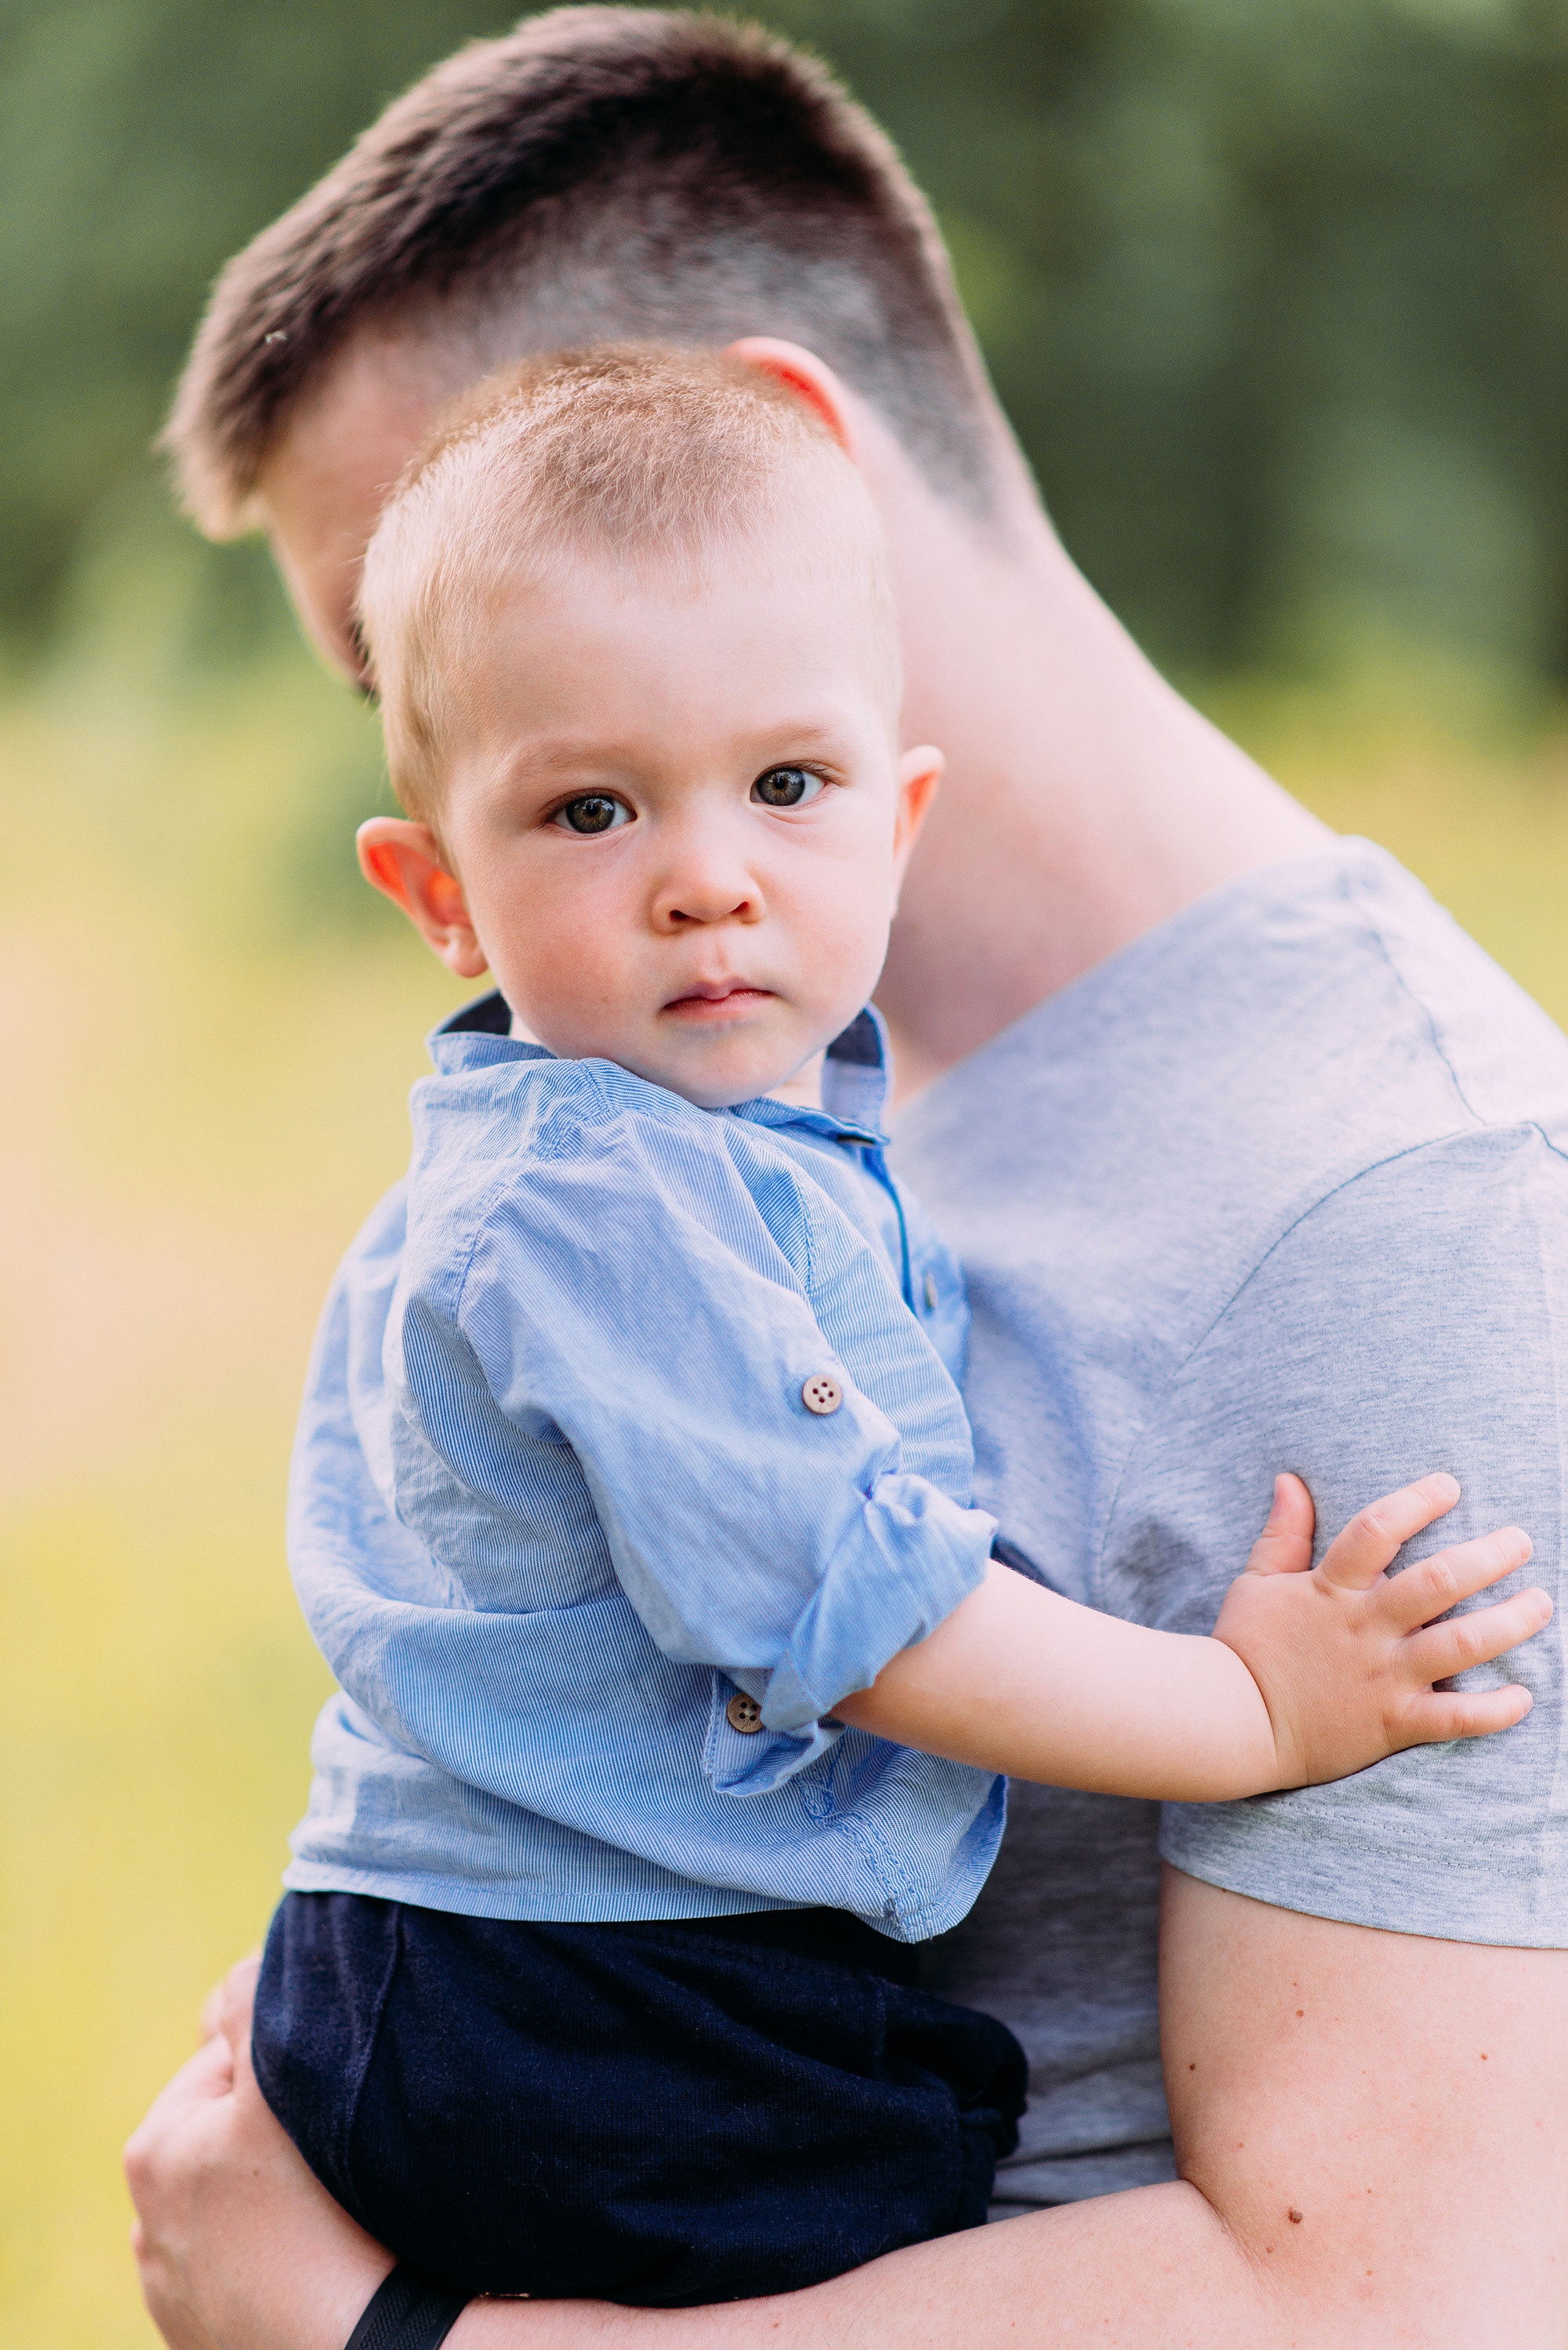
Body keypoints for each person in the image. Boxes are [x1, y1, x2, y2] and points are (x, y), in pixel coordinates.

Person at [126, 9, 1568, 2346]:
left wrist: (387, 2336)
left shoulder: (1405, 1202)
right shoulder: (716, 1116)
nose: (419, 726)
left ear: (772, 453)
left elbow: (1384, 2308)